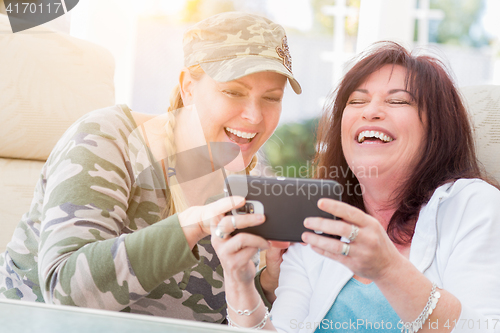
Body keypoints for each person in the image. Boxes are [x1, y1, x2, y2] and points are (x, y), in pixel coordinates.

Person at [0, 11, 301, 323]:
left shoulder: (255, 180)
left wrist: (266, 282)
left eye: (271, 98)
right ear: (188, 87)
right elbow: (65, 291)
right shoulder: (110, 139)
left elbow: (221, 310)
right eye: (233, 92)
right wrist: (193, 223)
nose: (254, 116)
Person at [212, 41, 500, 332]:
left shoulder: (473, 205)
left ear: (437, 129)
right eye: (357, 101)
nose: (370, 112)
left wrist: (387, 269)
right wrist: (239, 281)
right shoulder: (317, 220)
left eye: (398, 101)